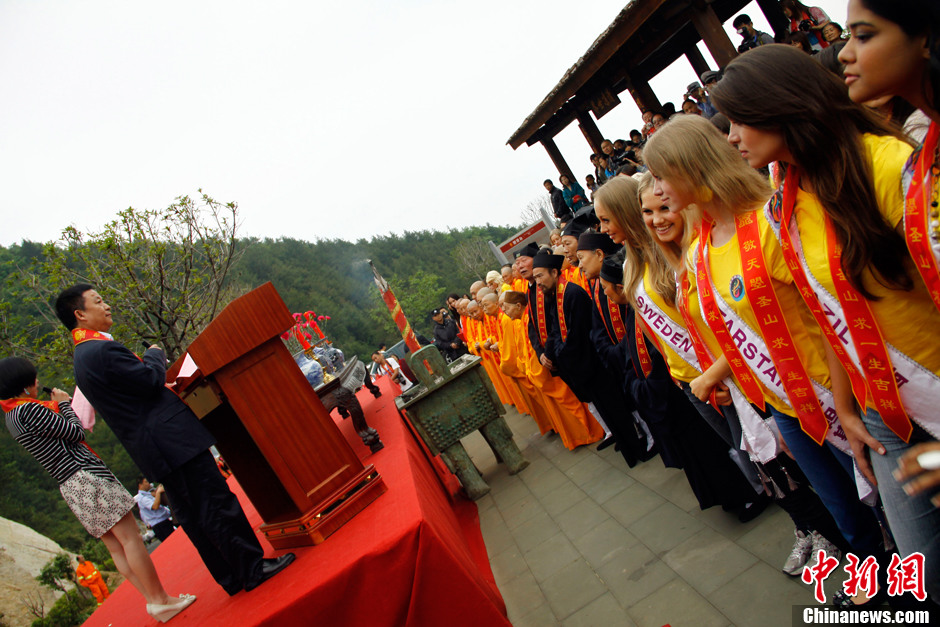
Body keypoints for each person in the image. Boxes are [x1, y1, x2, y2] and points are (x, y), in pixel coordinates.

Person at [714, 42, 940, 604]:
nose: (733, 136)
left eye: (741, 120)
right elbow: (830, 315)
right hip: (885, 412)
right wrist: (845, 407)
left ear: (782, 106)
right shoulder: (783, 204)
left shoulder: (890, 166)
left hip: (933, 394)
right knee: (922, 572)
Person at [644, 114, 891, 607]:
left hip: (835, 397)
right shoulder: (700, 248)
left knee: (885, 504)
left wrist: (841, 404)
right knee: (844, 512)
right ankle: (881, 594)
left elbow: (826, 317)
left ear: (691, 165)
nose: (658, 187)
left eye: (662, 173)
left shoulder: (771, 218)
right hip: (785, 407)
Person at [54, 285, 295, 598]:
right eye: (99, 301)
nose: (107, 305)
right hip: (171, 440)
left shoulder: (84, 356)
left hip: (156, 448)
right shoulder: (101, 350)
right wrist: (155, 354)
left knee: (194, 515)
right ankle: (251, 567)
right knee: (215, 503)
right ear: (80, 314)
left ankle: (231, 576)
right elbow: (149, 382)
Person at [1, 356, 196, 622]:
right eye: (32, 379)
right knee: (131, 539)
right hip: (87, 475)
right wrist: (64, 404)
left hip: (70, 485)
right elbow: (75, 431)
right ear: (23, 386)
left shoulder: (11, 417)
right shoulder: (30, 409)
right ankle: (160, 599)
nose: (37, 383)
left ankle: (153, 600)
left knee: (116, 548)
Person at [137, 477, 177, 542]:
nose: (149, 483)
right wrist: (158, 493)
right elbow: (155, 506)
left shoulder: (148, 494)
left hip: (165, 520)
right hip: (160, 524)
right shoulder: (142, 498)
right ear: (140, 485)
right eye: (146, 482)